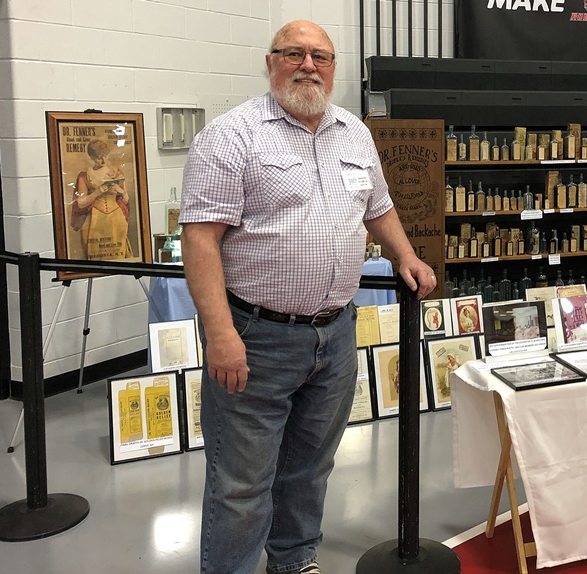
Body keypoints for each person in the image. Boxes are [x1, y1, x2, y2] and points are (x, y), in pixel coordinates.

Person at [179, 20, 436, 574]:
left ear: (333, 68)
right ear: (270, 62)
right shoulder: (232, 136)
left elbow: (378, 206)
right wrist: (220, 334)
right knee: (241, 483)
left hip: (336, 333)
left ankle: (293, 561)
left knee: (310, 467)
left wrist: (405, 255)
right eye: (294, 53)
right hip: (256, 337)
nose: (308, 65)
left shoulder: (354, 133)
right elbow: (199, 239)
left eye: (320, 56)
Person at [70, 139, 132, 261]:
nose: (103, 160)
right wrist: (97, 192)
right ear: (92, 157)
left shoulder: (116, 172)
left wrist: (119, 190)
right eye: (99, 158)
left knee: (118, 254)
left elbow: (126, 200)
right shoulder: (85, 175)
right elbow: (80, 203)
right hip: (95, 220)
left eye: (105, 156)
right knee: (96, 256)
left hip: (116, 219)